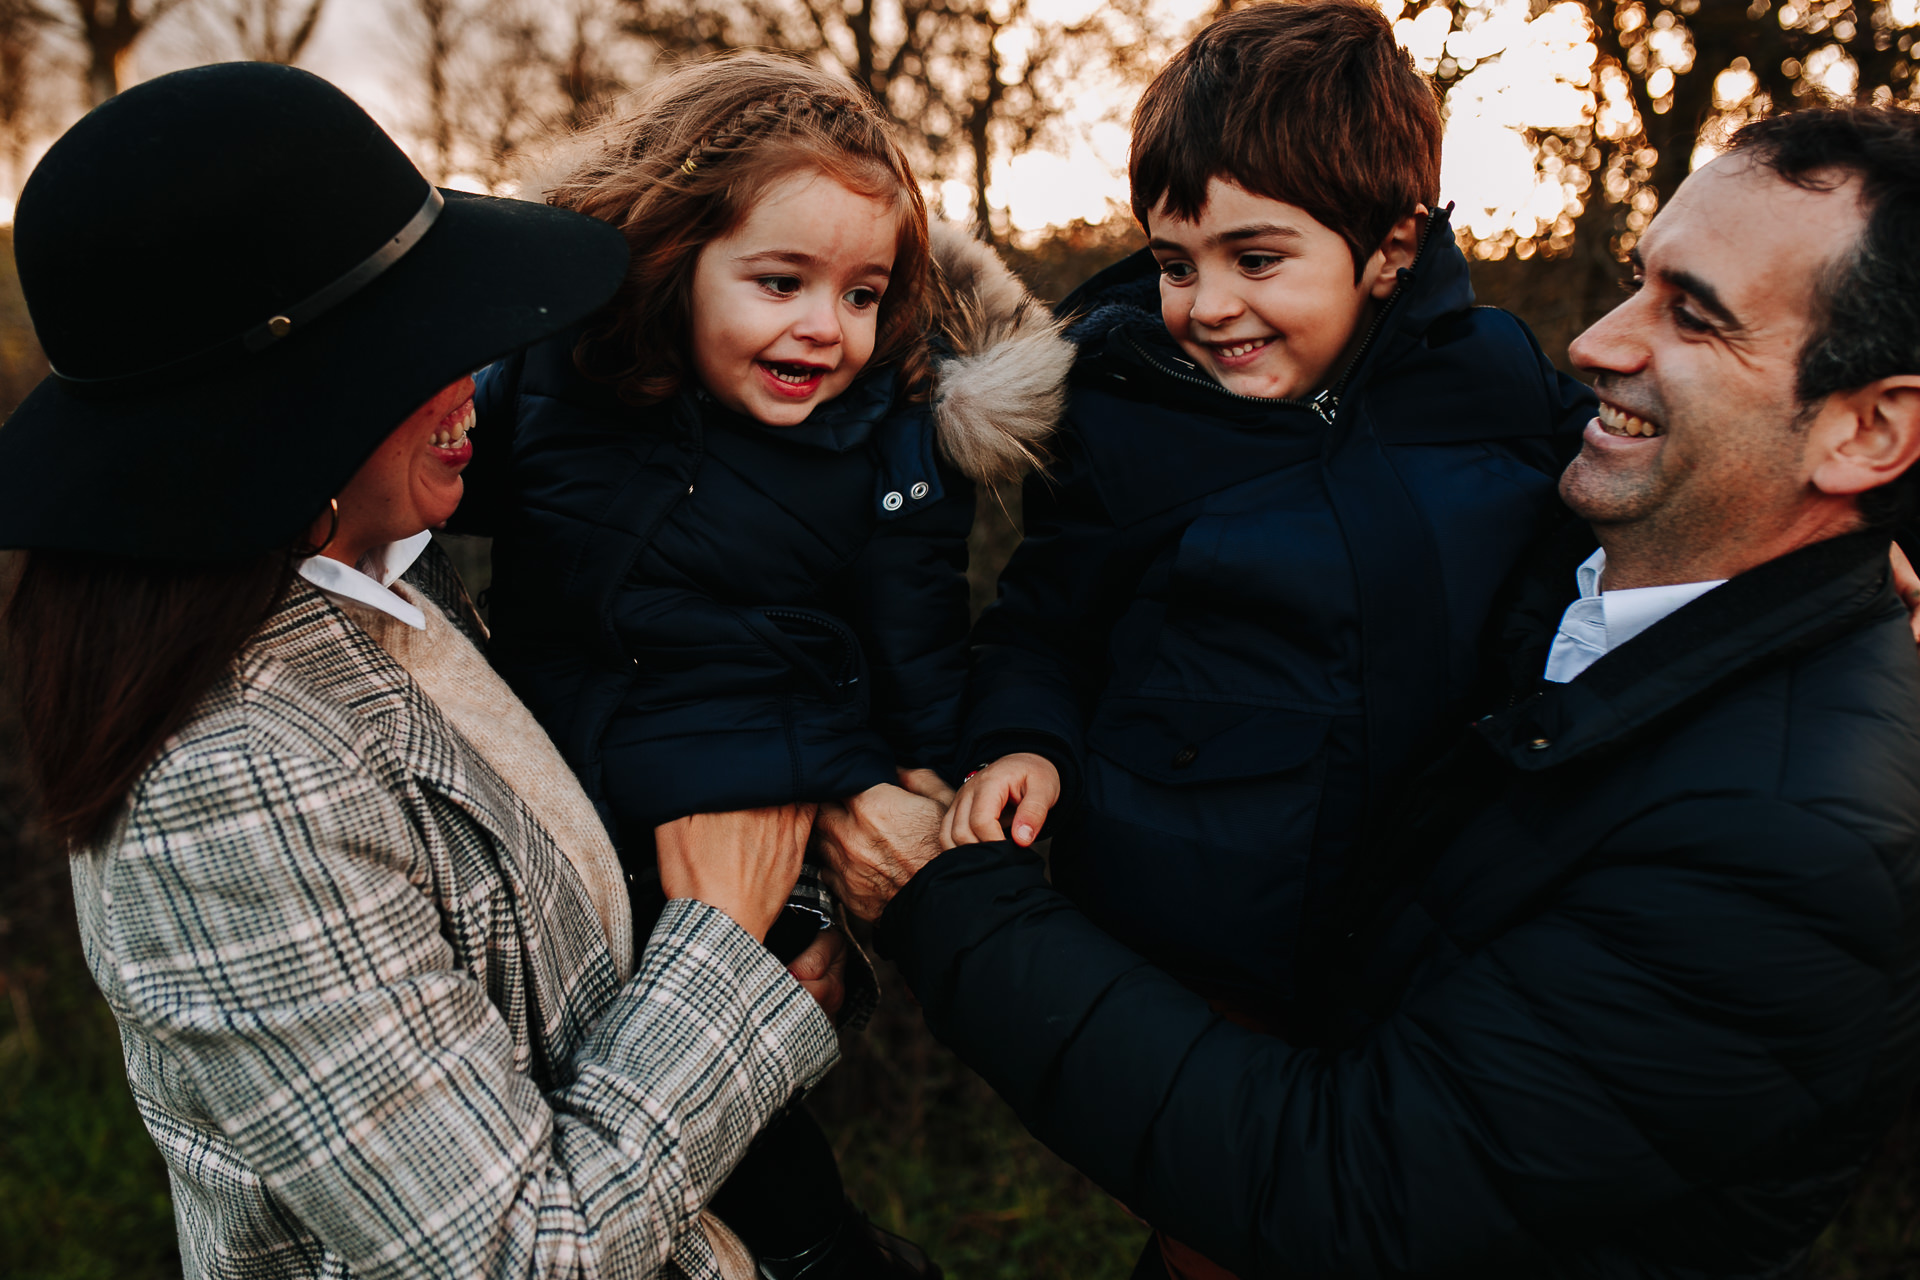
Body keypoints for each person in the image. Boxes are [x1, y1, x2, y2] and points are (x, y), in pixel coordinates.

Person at [814, 104, 1920, 1279]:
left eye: (1692, 315)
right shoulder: (1567, 558)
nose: (1595, 338)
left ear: (1869, 429)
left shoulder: (1796, 834)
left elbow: (1347, 1190)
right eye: (1638, 281)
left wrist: (942, 894)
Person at [0, 63, 857, 1279]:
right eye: (413, 350)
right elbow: (515, 1254)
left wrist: (789, 921)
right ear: (279, 417)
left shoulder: (378, 566)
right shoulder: (231, 780)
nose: (472, 380)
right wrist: (725, 958)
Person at [451, 52, 1071, 1276]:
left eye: (860, 293)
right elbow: (418, 491)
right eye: (781, 281)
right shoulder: (556, 383)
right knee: (555, 1129)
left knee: (752, 1156)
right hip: (560, 821)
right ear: (673, 258)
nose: (822, 328)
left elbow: (918, 645)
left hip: (764, 822)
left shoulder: (885, 447)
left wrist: (938, 782)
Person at [944, 0, 1593, 1027]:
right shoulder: (1126, 416)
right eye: (1173, 263)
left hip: (1442, 935)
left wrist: (1854, 541)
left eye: (1256, 259)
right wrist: (1025, 741)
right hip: (1196, 952)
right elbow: (1044, 628)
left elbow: (1651, 490)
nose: (1205, 305)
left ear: (1390, 248)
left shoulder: (1496, 379)